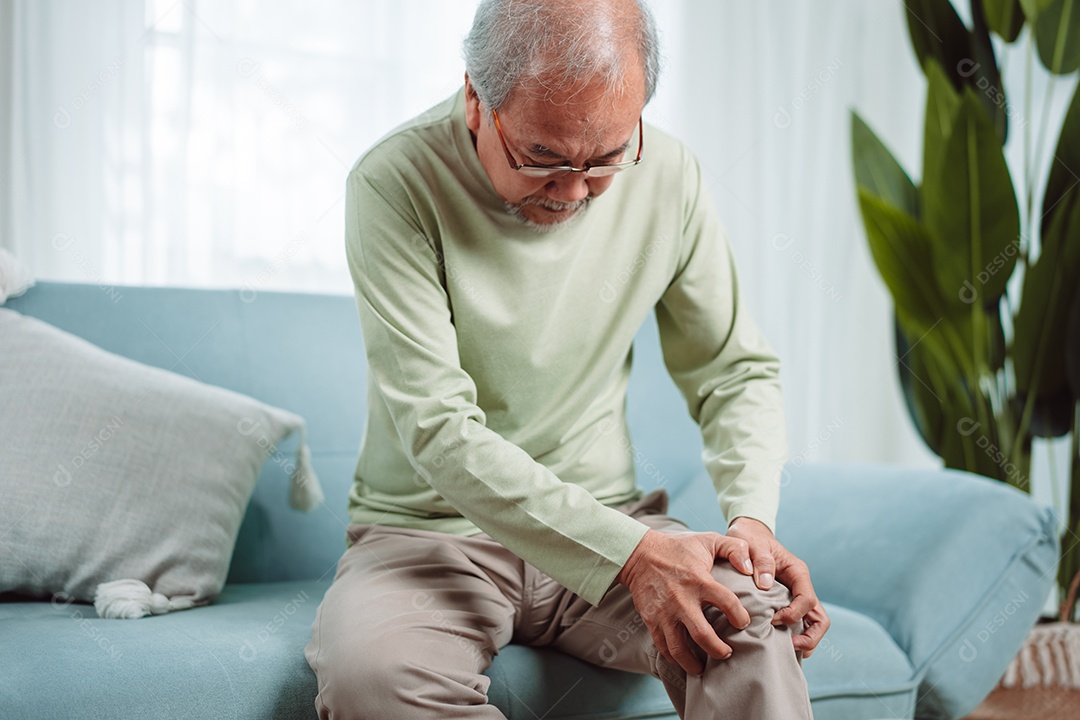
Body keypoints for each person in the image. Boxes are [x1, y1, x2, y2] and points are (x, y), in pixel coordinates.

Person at [304, 0, 829, 717]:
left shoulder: (672, 176)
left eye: (608, 159)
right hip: (431, 535)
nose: (575, 191)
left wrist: (752, 525)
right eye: (543, 159)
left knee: (749, 628)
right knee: (375, 680)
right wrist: (631, 554)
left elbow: (732, 371)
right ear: (474, 100)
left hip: (615, 515)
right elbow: (439, 432)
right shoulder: (393, 183)